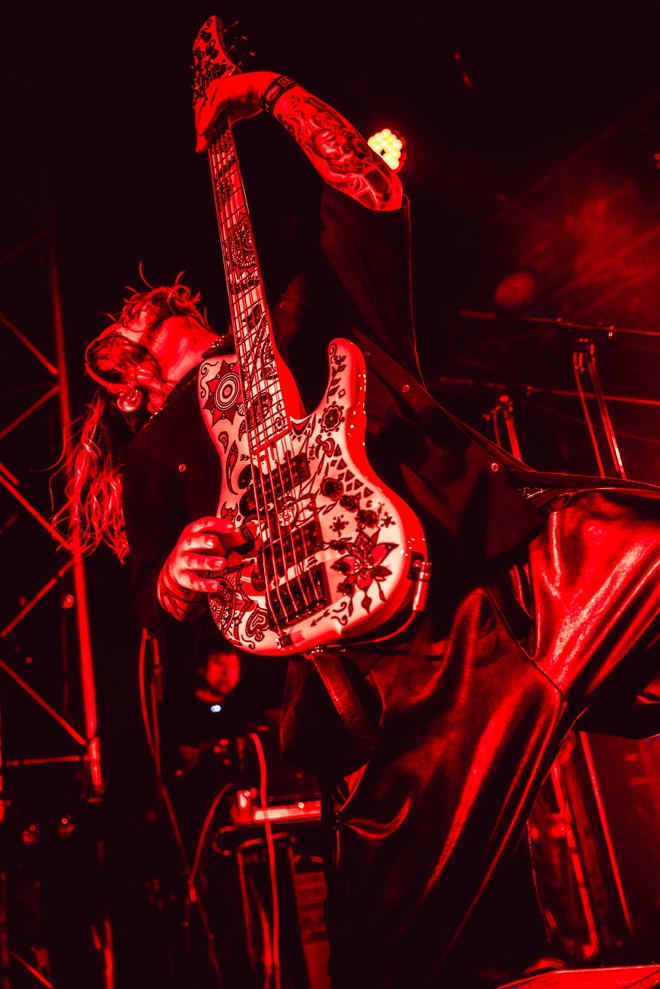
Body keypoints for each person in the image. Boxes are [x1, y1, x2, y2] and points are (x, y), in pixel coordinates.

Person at [57, 54, 660, 989]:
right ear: (126, 381)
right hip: (391, 688)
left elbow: (370, 190)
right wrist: (175, 576)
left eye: (155, 301)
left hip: (509, 579)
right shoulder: (154, 457)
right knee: (398, 963)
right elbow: (149, 600)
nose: (149, 301)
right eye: (130, 319)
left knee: (639, 539)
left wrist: (271, 92)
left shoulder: (307, 315)